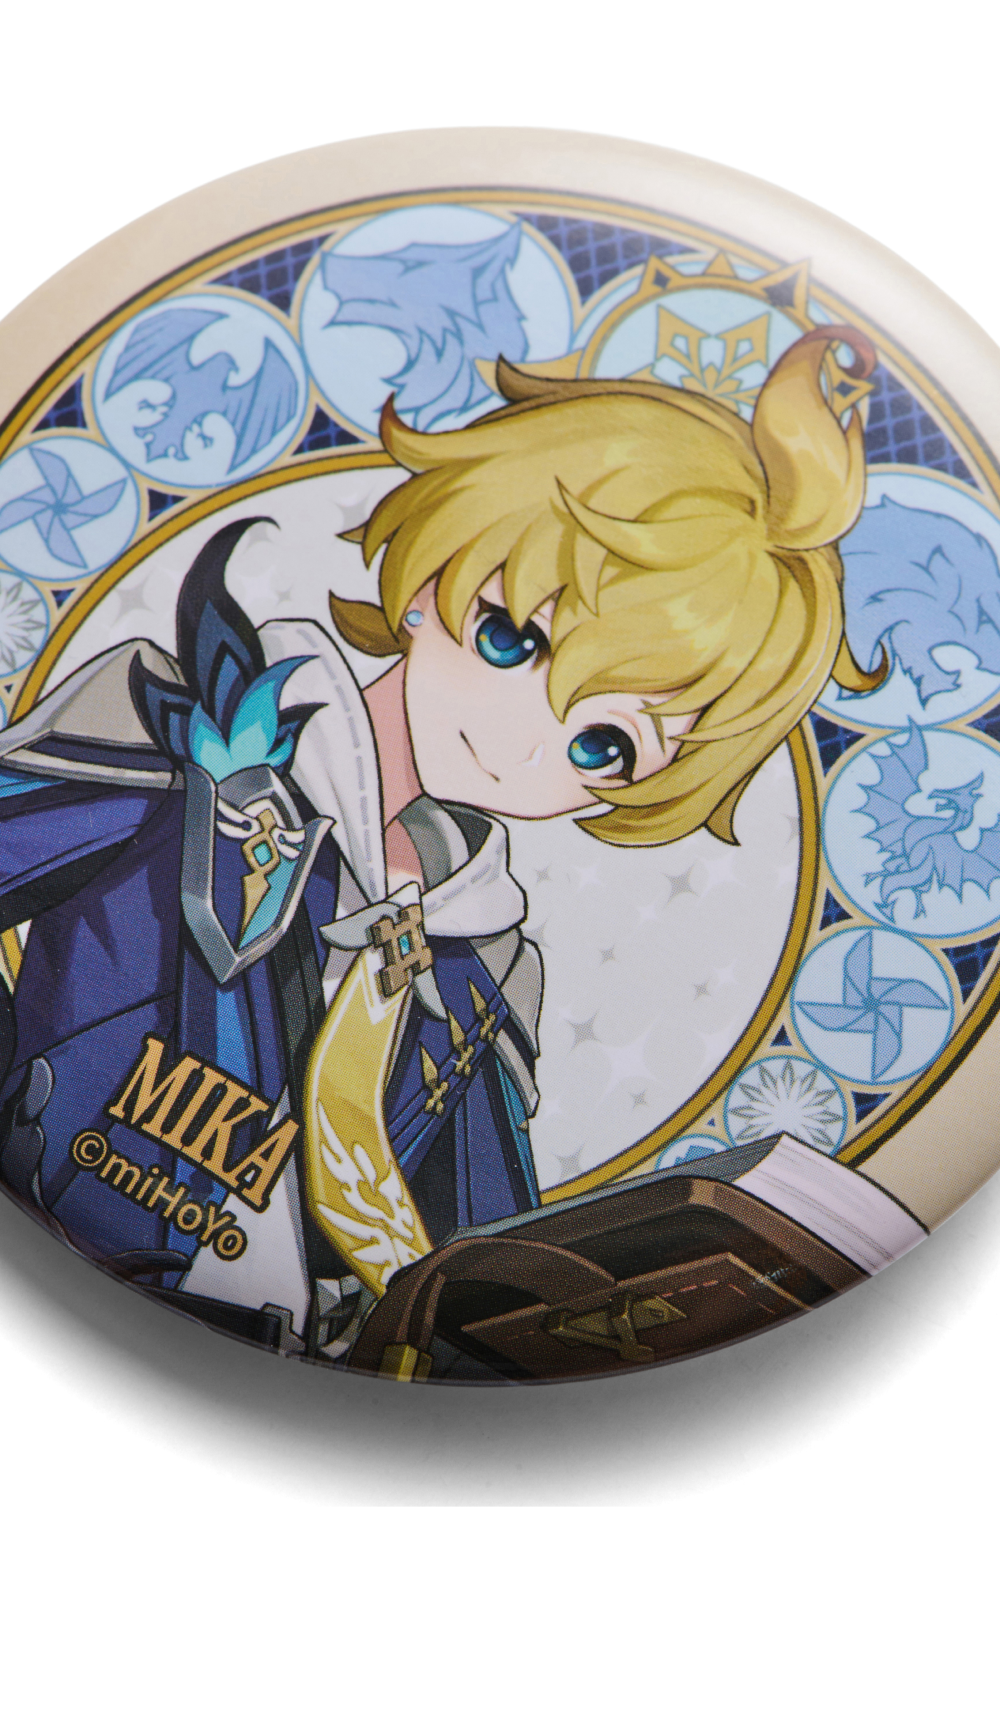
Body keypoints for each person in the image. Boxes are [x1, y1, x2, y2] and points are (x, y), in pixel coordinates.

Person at [0, 301, 868, 1337]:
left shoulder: (479, 963)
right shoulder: (173, 742)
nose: (523, 742)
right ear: (427, 584)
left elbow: (485, 1263)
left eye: (604, 746)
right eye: (513, 639)